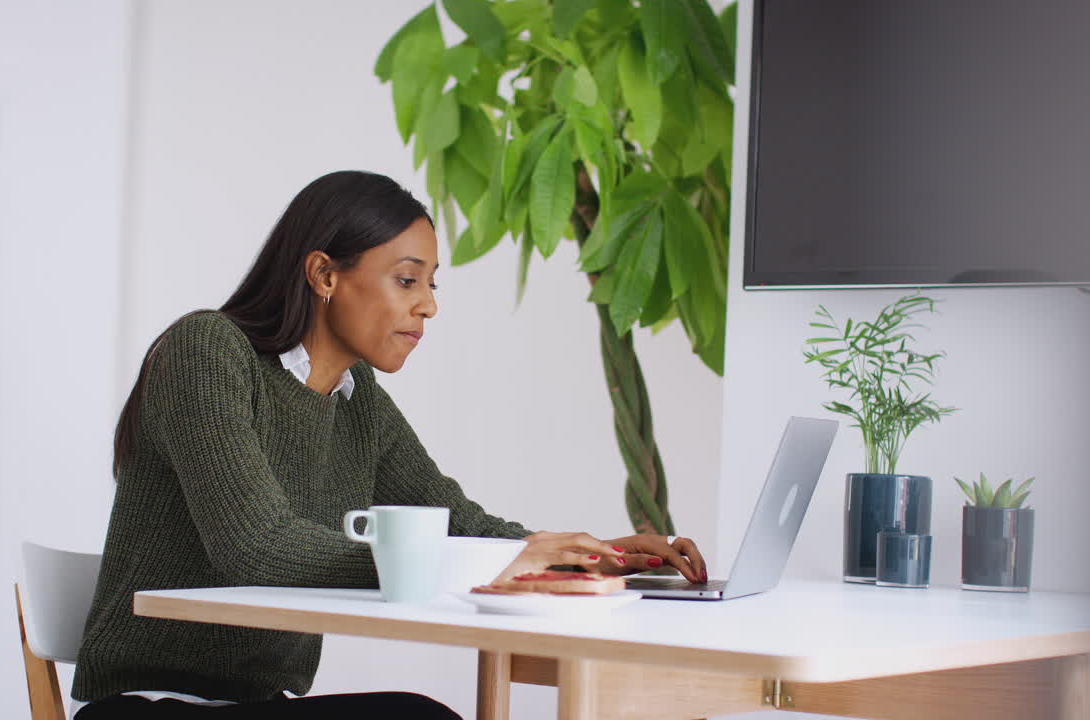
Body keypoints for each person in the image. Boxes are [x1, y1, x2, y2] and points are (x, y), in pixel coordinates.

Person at [71, 170, 707, 719]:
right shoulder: (207, 351)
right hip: (148, 705)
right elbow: (257, 549)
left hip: (259, 704)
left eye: (432, 285)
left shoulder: (357, 399)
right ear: (324, 274)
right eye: (407, 281)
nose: (428, 306)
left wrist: (583, 557)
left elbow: (457, 522)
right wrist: (494, 565)